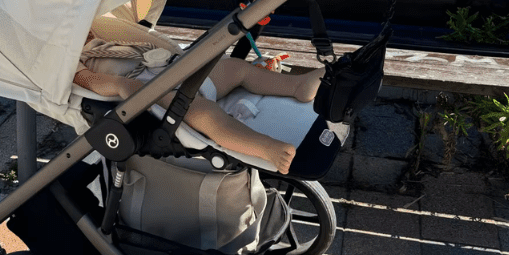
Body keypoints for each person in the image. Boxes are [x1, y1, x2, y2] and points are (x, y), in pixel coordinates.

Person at [72, 27, 324, 174]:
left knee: (235, 68)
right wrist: (120, 85)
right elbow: (91, 82)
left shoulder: (103, 38)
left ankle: (297, 86)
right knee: (203, 113)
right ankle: (265, 147)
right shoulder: (75, 64)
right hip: (150, 94)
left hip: (171, 72)